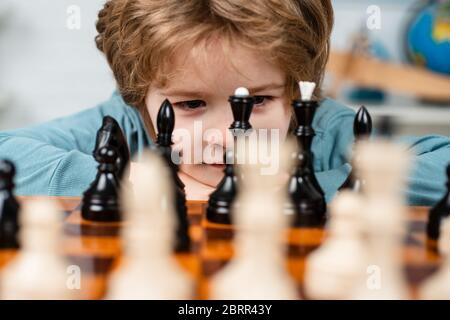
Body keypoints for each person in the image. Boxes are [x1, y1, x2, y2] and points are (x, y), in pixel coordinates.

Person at [0, 0, 449, 205]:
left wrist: (303, 189)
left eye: (257, 101)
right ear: (139, 100)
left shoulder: (324, 130)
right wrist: (126, 183)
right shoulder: (119, 126)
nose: (226, 136)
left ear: (296, 94)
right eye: (192, 104)